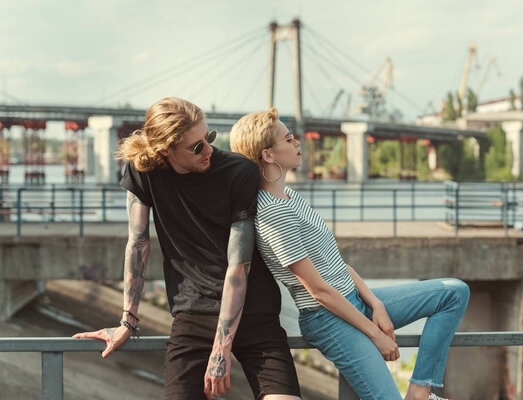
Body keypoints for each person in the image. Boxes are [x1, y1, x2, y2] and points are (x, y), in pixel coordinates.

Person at [229, 108, 470, 400]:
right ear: (268, 155)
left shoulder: (291, 197)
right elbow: (319, 291)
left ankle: (420, 390)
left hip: (355, 303)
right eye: (289, 139)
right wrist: (376, 334)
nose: (298, 143)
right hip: (328, 318)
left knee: (453, 292)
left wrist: (376, 303)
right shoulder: (273, 213)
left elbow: (335, 262)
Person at [73, 98, 302, 400]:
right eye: (196, 147)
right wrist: (128, 320)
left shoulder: (239, 171)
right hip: (192, 313)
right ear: (165, 150)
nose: (208, 150)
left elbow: (239, 265)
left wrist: (222, 349)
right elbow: (139, 242)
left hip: (253, 310)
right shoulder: (144, 171)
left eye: (209, 138)